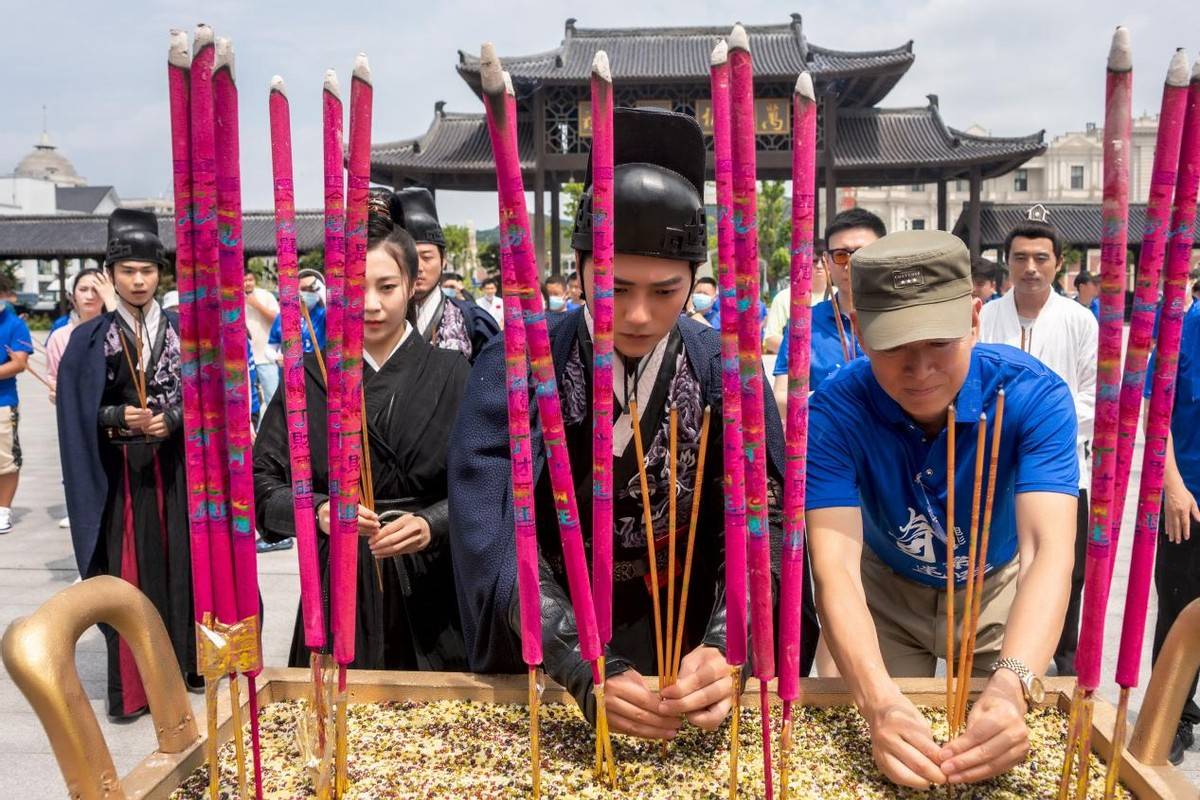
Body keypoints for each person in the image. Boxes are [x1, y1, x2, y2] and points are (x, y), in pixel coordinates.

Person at [450, 107, 816, 740]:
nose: (639, 315)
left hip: (686, 618)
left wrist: (731, 640)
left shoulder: (725, 370)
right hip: (555, 620)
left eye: (665, 290)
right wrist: (571, 653)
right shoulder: (518, 366)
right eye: (613, 288)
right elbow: (490, 524)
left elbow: (772, 511)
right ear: (582, 269)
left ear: (697, 282)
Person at [806, 230, 1078, 788]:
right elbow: (832, 566)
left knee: (996, 751)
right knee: (858, 749)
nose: (920, 369)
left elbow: (1047, 551)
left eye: (940, 342)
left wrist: (1012, 686)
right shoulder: (834, 411)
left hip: (995, 590)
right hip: (882, 590)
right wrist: (879, 701)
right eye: (895, 346)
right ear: (858, 332)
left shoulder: (1033, 396)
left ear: (975, 320)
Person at [254, 207, 469, 671]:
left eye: (386, 287)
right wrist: (317, 510)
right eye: (354, 288)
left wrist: (433, 522)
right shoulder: (309, 376)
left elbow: (489, 484)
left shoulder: (453, 373)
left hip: (431, 587)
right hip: (338, 587)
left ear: (415, 284)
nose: (370, 303)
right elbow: (260, 483)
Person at [56, 208, 196, 720]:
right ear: (110, 275)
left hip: (177, 472)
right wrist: (119, 414)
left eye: (148, 270)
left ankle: (185, 666)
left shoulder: (185, 330)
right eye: (127, 271)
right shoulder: (89, 339)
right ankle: (136, 686)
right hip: (123, 480)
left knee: (184, 567)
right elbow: (78, 412)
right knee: (131, 576)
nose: (138, 281)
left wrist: (174, 417)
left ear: (162, 273)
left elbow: (211, 397)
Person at [980, 218, 1097, 677]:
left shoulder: (1080, 321)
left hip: (1063, 468)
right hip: (993, 467)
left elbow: (1094, 397)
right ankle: (1002, 662)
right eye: (1020, 258)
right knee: (996, 570)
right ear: (1007, 264)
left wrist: (1041, 423)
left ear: (1059, 263)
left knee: (1065, 569)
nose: (1030, 268)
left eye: (1041, 258)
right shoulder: (986, 316)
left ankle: (1064, 668)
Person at [1149, 306, 1200, 765]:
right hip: (1192, 500)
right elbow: (1156, 410)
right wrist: (1172, 485)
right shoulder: (1184, 329)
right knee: (1180, 610)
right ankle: (1172, 714)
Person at [771, 208, 883, 412]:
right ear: (827, 260)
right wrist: (835, 395)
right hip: (826, 440)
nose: (851, 263)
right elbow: (779, 400)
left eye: (863, 253)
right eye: (841, 255)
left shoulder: (901, 316)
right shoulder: (804, 324)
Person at [388, 188, 498, 362]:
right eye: (409, 258)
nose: (418, 267)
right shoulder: (378, 319)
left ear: (443, 259)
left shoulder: (473, 322)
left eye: (426, 257)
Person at [0, 276, 31, 534]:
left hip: (3, 402)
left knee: (6, 460)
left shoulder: (14, 325)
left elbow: (19, 364)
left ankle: (3, 510)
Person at [763, 261, 827, 354]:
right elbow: (770, 339)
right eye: (814, 261)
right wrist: (806, 352)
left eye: (824, 260)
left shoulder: (840, 297)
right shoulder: (784, 297)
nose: (819, 266)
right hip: (793, 366)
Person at [267, 267, 326, 361]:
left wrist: (318, 285)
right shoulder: (283, 317)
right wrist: (277, 357)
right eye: (303, 289)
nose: (307, 293)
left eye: (311, 289)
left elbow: (335, 309)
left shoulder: (323, 314)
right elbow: (270, 348)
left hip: (316, 369)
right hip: (291, 370)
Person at [243, 272, 280, 409]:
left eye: (250, 279)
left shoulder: (266, 296)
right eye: (244, 280)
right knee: (249, 403)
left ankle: (275, 430)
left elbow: (277, 319)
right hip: (245, 360)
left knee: (273, 400)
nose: (248, 283)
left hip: (265, 358)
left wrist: (256, 305)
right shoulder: (233, 299)